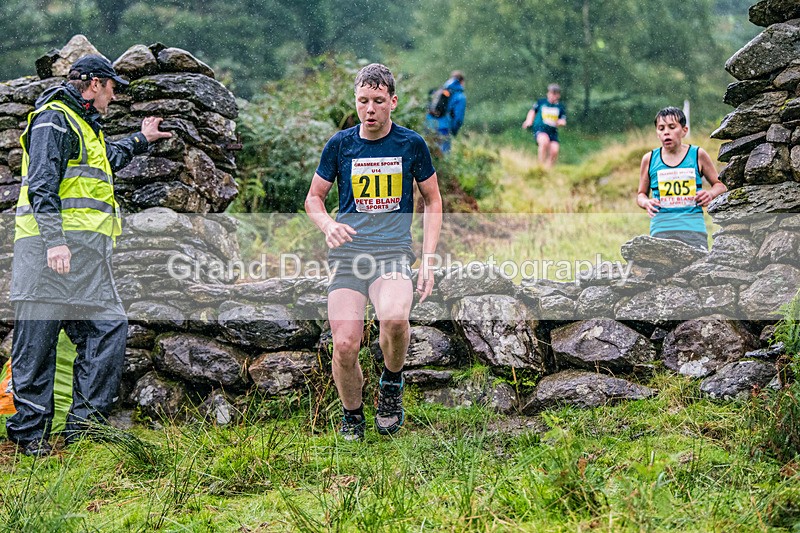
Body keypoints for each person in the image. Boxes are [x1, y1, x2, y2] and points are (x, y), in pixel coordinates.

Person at [6, 54, 171, 456]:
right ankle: (30, 440)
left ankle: (85, 431)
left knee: (108, 328)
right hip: (49, 253)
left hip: (87, 257)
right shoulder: (53, 118)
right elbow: (42, 184)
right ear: (95, 83)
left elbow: (104, 165)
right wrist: (54, 241)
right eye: (112, 87)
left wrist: (140, 139)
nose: (113, 97)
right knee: (37, 346)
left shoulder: (84, 126)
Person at [305, 63, 442, 441]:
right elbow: (314, 198)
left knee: (396, 320)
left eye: (378, 101)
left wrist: (428, 258)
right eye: (363, 101)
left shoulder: (410, 144)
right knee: (345, 344)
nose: (370, 109)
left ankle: (392, 384)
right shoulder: (341, 144)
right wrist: (328, 225)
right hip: (349, 257)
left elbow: (433, 200)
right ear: (356, 101)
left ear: (392, 102)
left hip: (393, 254)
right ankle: (352, 415)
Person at [637, 106, 726, 250]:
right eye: (661, 128)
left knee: (696, 272)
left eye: (672, 127)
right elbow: (640, 195)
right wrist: (647, 202)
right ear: (657, 133)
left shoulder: (698, 154)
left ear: (684, 130)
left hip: (693, 229)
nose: (666, 132)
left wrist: (709, 194)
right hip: (661, 229)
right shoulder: (649, 159)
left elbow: (720, 185)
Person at [522, 83, 567, 169]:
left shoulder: (560, 107)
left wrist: (561, 122)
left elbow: (563, 120)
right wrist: (528, 121)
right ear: (548, 93)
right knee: (544, 141)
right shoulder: (541, 102)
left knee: (555, 150)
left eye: (554, 94)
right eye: (551, 93)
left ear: (558, 95)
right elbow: (532, 112)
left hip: (552, 132)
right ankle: (540, 166)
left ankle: (549, 169)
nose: (552, 96)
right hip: (540, 129)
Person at [425, 70, 466, 153]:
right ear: (461, 82)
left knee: (429, 154)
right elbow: (458, 119)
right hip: (443, 128)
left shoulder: (441, 91)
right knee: (443, 156)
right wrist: (453, 131)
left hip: (428, 125)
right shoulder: (460, 96)